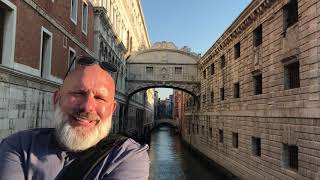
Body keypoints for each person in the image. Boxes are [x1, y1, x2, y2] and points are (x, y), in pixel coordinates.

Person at [0, 56, 150, 179]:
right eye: (78, 93)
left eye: (99, 98)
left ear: (112, 109)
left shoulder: (128, 156)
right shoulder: (18, 146)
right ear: (57, 99)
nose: (87, 107)